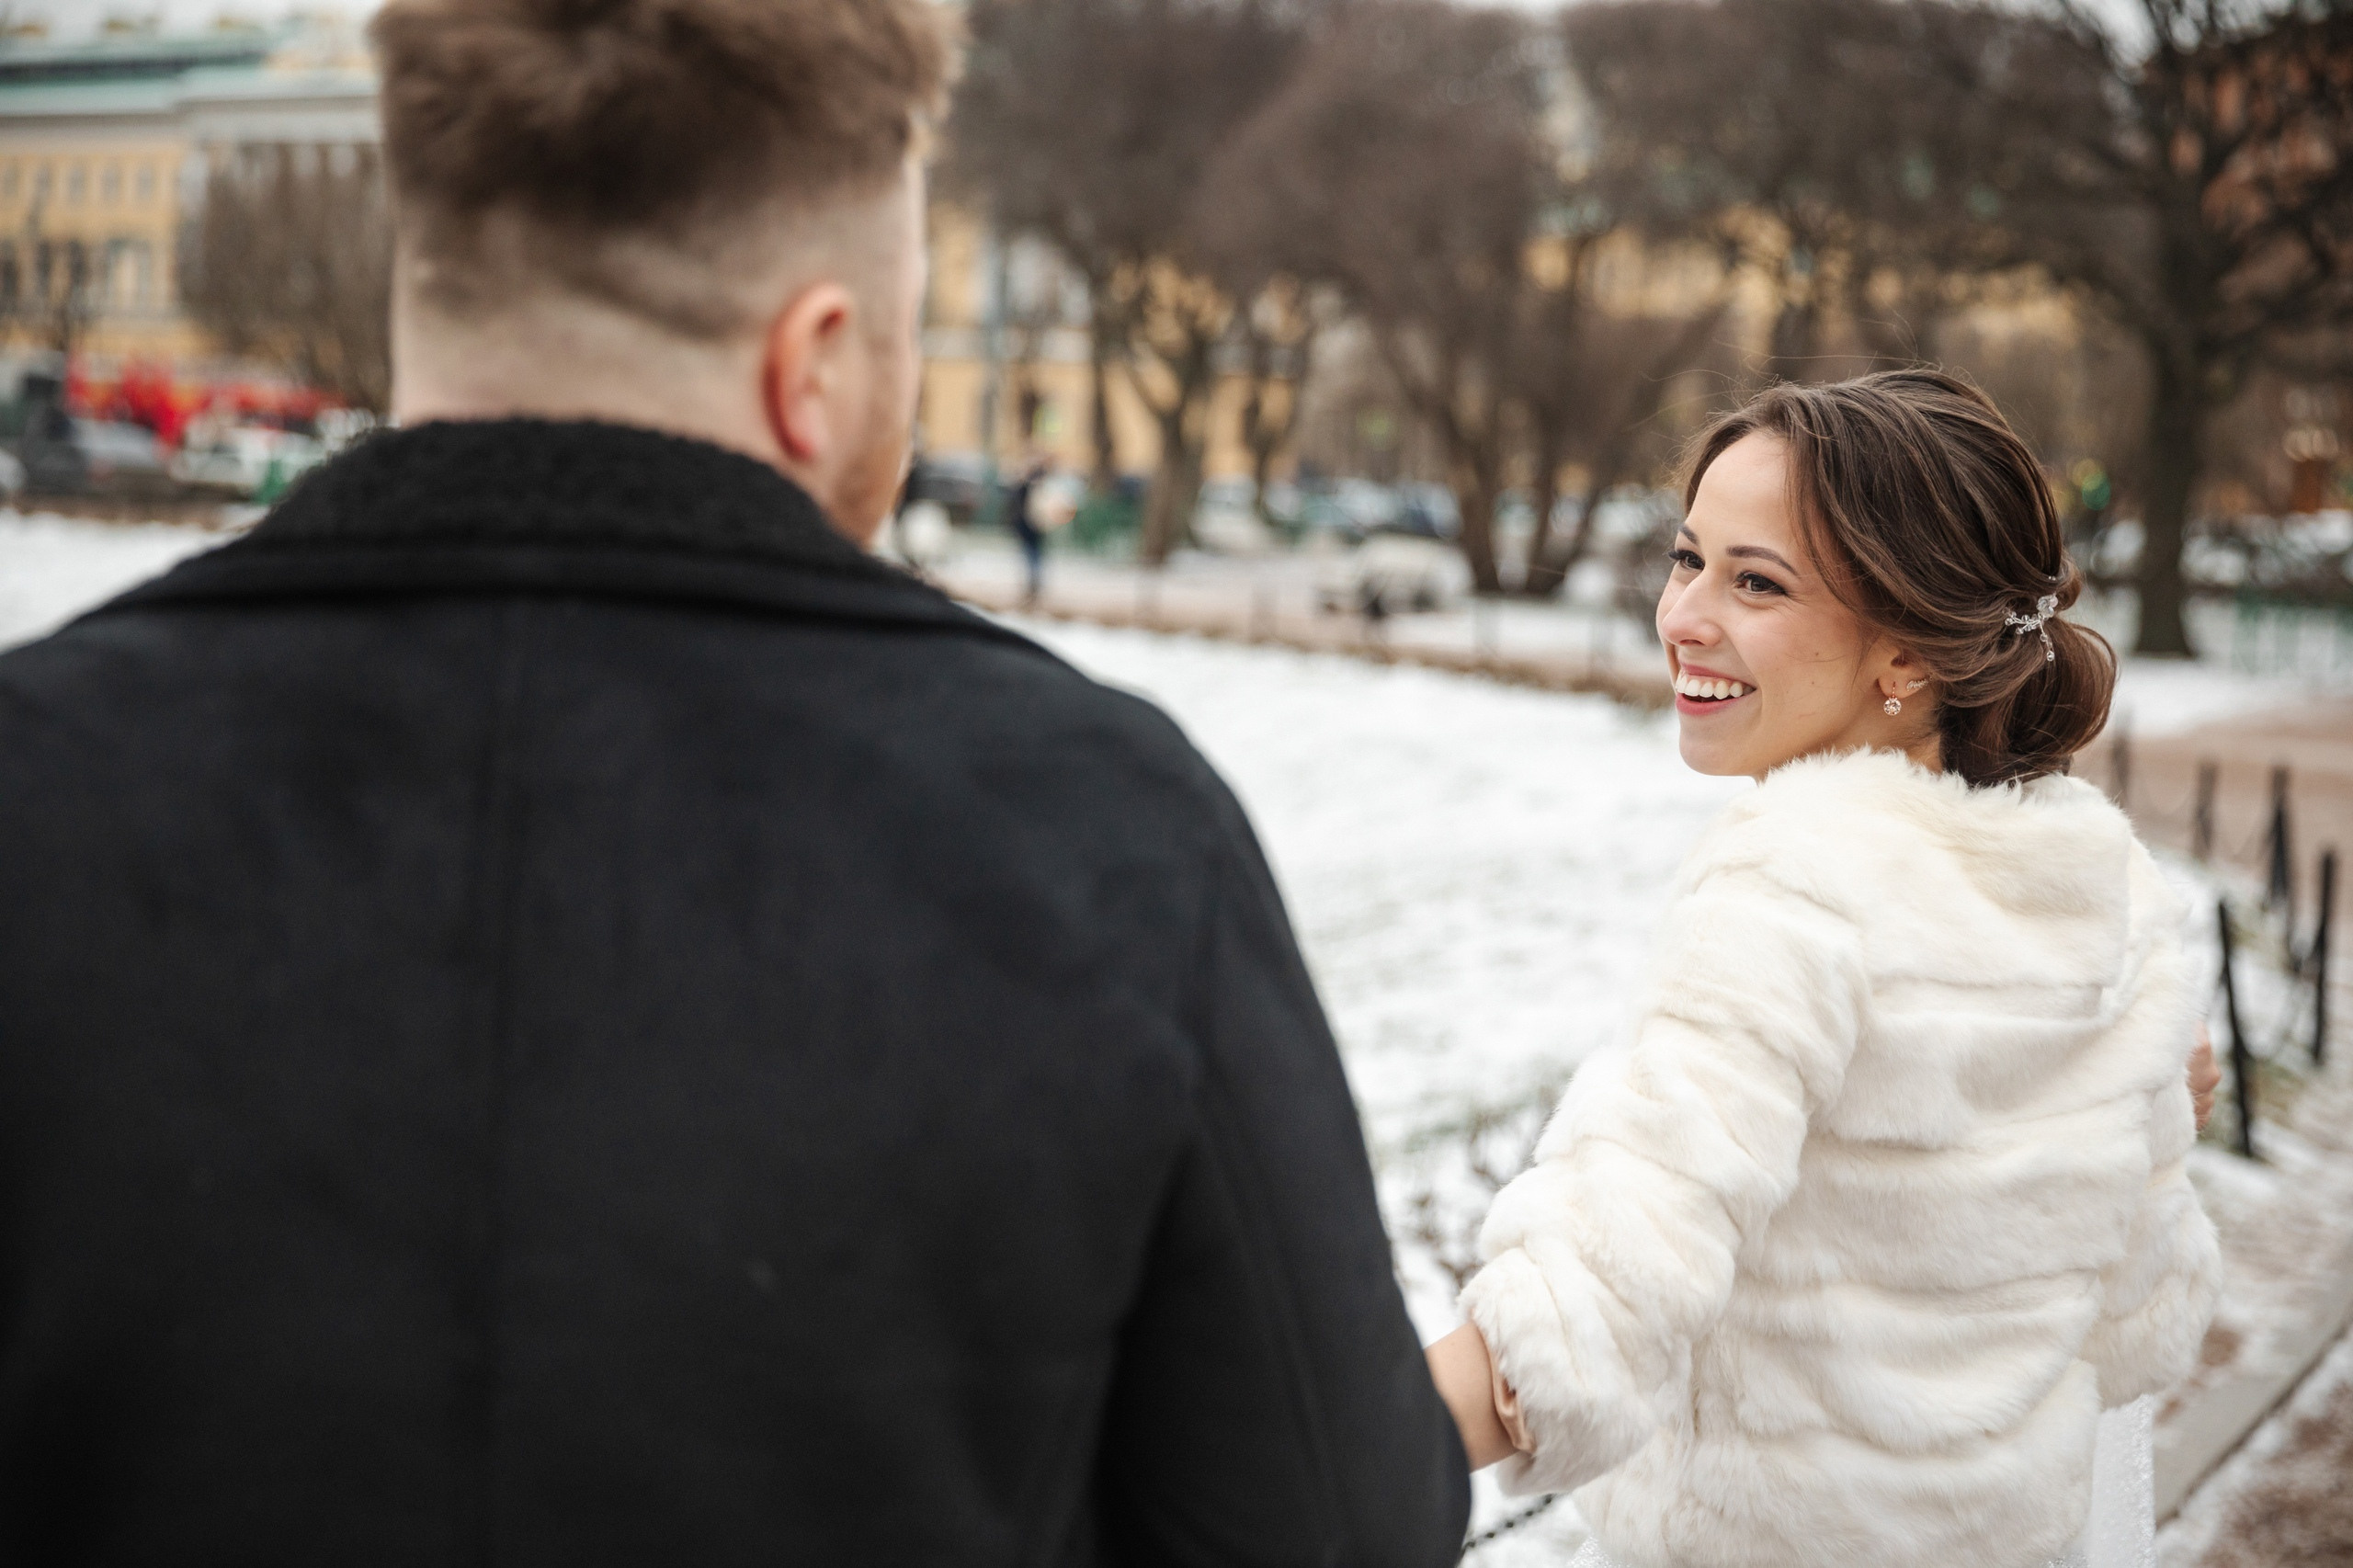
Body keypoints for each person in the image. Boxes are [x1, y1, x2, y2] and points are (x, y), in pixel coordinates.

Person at [0, 0, 1470, 1562]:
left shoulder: (37, 791)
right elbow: (1332, 1526)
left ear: (416, 287)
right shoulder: (1112, 847)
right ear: (816, 363)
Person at [1424, 370, 2223, 1568]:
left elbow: (1598, 1288)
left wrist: (1325, 1442)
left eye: (1756, 581)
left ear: (1904, 650)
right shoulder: (2107, 890)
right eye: (1686, 558)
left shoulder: (1791, 885)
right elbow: (2147, 1322)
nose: (1683, 615)